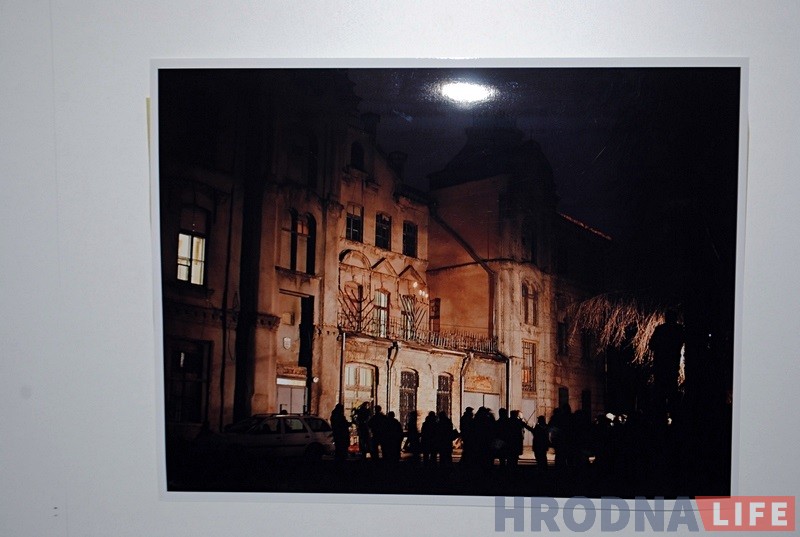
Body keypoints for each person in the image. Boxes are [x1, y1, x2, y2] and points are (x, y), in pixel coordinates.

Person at [649, 310, 684, 422]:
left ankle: (661, 419)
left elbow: (651, 345)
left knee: (660, 395)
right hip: (672, 366)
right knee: (672, 393)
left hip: (660, 366)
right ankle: (674, 418)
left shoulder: (660, 329)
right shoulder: (679, 330)